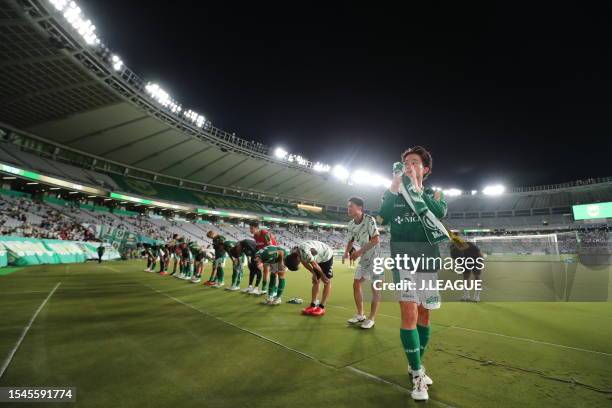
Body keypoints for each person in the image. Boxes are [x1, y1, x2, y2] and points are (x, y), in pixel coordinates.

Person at [378, 146, 449, 402]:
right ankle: (418, 374)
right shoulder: (395, 193)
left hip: (428, 260)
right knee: (410, 311)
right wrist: (395, 184)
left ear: (426, 168)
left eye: (415, 162)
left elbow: (440, 212)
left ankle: (414, 363)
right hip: (404, 260)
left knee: (425, 313)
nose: (409, 166)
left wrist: (418, 189)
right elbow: (383, 217)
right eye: (406, 163)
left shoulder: (435, 192)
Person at [344, 197, 382, 329]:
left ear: (359, 208)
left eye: (351, 206)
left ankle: (371, 318)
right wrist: (345, 253)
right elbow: (350, 240)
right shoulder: (350, 224)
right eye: (348, 206)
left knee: (375, 288)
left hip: (375, 258)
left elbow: (376, 239)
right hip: (364, 260)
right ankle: (360, 314)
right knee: (356, 284)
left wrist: (358, 252)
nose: (348, 209)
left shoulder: (369, 220)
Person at [285, 240, 334, 317]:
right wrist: (313, 274)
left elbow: (314, 264)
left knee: (326, 281)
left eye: (298, 264)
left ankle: (322, 307)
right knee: (315, 281)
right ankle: (313, 305)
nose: (300, 263)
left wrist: (323, 276)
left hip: (326, 255)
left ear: (297, 258)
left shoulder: (304, 252)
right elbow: (305, 262)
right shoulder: (293, 252)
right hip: (316, 258)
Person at [449, 232, 484, 302]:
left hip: (476, 260)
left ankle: (477, 297)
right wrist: (460, 266)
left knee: (477, 277)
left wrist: (480, 263)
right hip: (465, 262)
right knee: (465, 278)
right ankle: (466, 296)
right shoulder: (452, 248)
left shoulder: (469, 244)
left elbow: (480, 253)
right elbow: (455, 258)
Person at [249, 221, 278, 295]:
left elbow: (271, 247)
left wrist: (262, 261)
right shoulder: (255, 236)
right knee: (265, 271)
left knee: (274, 273)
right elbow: (259, 248)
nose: (250, 230)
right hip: (265, 254)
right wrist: (259, 259)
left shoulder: (265, 234)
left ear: (257, 228)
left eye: (252, 228)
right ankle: (264, 289)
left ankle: (274, 290)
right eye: (250, 228)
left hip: (273, 253)